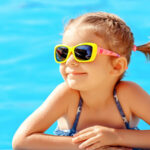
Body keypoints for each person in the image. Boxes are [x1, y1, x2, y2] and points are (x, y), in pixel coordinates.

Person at [12, 12, 150, 150]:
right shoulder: (67, 95)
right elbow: (22, 141)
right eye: (64, 53)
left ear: (117, 66)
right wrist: (90, 146)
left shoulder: (128, 94)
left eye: (83, 53)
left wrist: (116, 136)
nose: (70, 61)